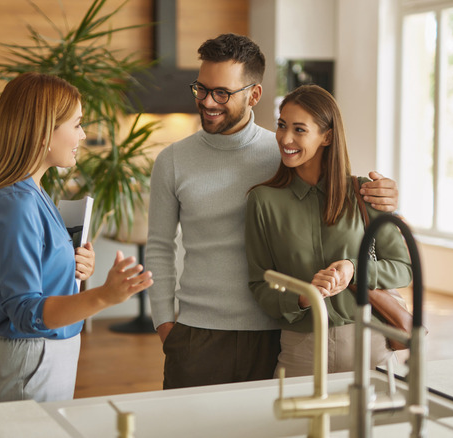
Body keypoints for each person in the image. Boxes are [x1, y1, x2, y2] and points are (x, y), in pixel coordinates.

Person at [146, 33, 400, 389]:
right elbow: (159, 246)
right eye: (201, 89)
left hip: (277, 330)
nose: (207, 101)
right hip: (198, 333)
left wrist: (386, 196)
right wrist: (164, 324)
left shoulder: (285, 153)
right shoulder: (172, 161)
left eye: (222, 93)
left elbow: (337, 201)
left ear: (254, 95)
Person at [0, 72, 154, 403]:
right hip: (31, 360)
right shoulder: (16, 204)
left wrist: (73, 264)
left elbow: (39, 276)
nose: (83, 135)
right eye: (77, 124)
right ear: (44, 133)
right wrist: (104, 297)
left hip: (44, 356)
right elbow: (26, 312)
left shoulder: (34, 192)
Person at [245, 84, 412, 376]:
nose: (285, 138)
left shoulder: (365, 193)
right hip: (301, 348)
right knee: (296, 423)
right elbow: (260, 285)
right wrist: (301, 295)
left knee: (378, 422)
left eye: (299, 129)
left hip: (368, 342)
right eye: (282, 126)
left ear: (327, 136)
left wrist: (353, 269)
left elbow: (403, 269)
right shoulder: (263, 201)